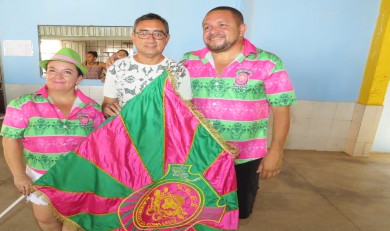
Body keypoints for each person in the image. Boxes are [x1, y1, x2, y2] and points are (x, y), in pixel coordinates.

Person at [183, 6, 296, 219]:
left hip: (245, 157)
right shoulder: (189, 61)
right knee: (198, 212)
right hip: (197, 156)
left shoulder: (268, 62)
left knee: (236, 212)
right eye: (207, 26)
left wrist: (276, 152)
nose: (212, 30)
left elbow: (282, 109)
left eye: (222, 25)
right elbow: (170, 97)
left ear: (242, 29)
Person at [0, 47, 105, 231]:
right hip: (40, 175)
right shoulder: (23, 104)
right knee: (45, 217)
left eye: (67, 72)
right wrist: (19, 175)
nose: (58, 76)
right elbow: (10, 140)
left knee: (71, 217)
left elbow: (97, 144)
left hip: (77, 176)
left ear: (79, 77)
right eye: (52, 70)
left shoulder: (92, 109)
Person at [102, 13, 193, 116]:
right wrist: (107, 109)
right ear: (133, 37)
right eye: (143, 33)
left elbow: (186, 112)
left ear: (167, 38)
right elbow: (107, 103)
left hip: (164, 131)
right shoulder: (116, 68)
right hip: (125, 131)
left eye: (158, 34)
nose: (150, 39)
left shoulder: (178, 71)